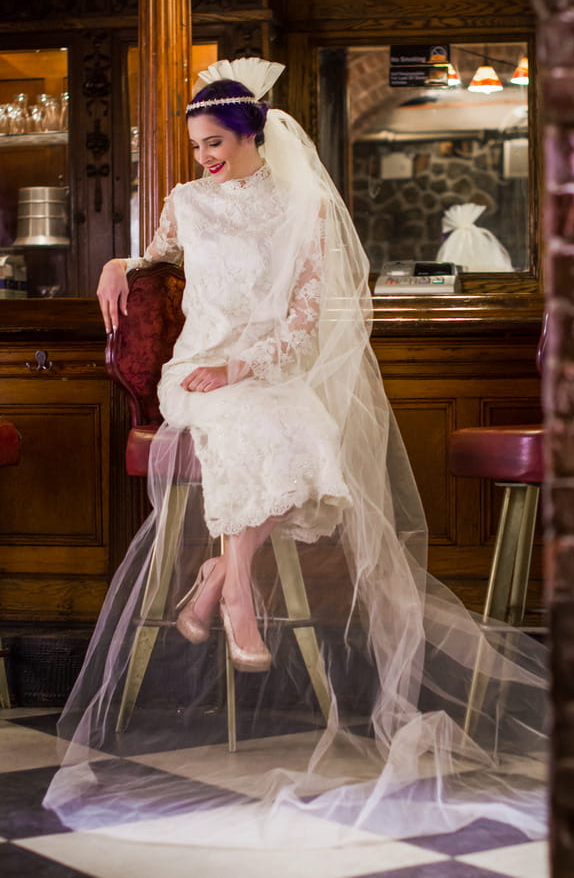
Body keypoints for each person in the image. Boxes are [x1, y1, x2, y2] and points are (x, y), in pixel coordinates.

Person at [44, 58, 548, 850]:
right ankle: (236, 589)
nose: (205, 157)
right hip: (196, 373)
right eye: (197, 145)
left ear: (252, 134)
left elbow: (306, 325)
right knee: (254, 429)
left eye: (215, 142)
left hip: (262, 368)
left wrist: (245, 364)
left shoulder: (305, 208)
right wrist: (118, 263)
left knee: (308, 431)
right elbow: (152, 258)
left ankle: (223, 574)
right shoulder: (185, 202)